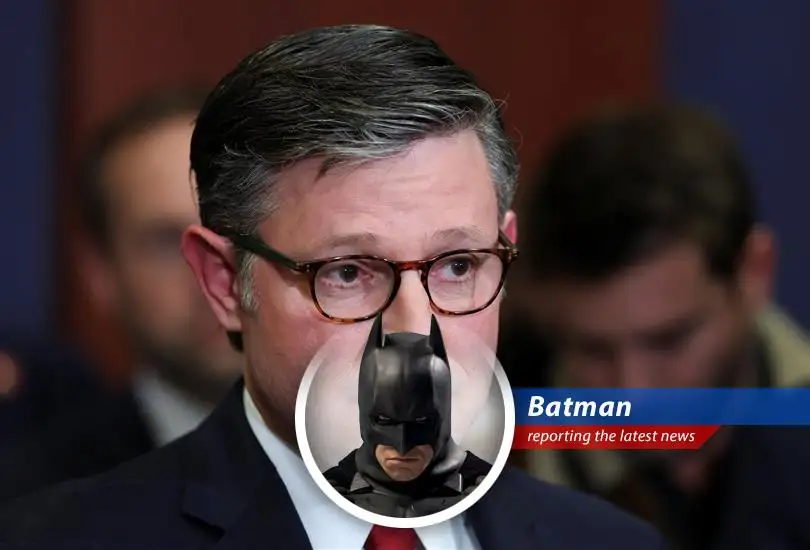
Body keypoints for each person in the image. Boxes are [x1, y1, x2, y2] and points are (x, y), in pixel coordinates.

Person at [0, 25, 665, 549]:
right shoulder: (62, 538)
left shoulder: (608, 541)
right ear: (225, 281)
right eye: (347, 273)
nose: (413, 329)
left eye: (458, 266)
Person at [506, 104, 810, 549]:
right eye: (593, 350)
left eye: (670, 340)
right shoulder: (479, 463)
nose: (634, 393)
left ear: (754, 274)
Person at [0, 86, 244, 503]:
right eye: (170, 242)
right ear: (101, 273)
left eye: (238, 232)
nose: (217, 274)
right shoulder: (31, 505)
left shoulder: (383, 469)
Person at [324, 315, 491, 518]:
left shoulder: (490, 491)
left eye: (421, 422)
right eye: (385, 421)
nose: (402, 446)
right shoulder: (326, 492)